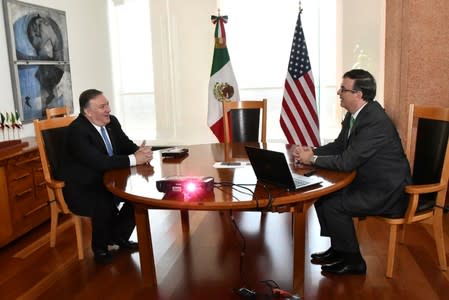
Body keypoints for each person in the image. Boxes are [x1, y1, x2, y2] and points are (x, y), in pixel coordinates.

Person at [294, 69, 411, 275]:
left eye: (343, 89)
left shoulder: (375, 121)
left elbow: (346, 162)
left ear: (358, 94)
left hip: (388, 191)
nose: (339, 92)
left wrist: (311, 159)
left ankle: (354, 261)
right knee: (324, 196)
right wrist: (312, 151)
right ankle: (340, 249)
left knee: (334, 204)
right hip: (370, 182)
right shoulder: (355, 114)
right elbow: (340, 146)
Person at [63, 89, 153, 264]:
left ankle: (117, 237)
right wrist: (135, 159)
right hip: (84, 186)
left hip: (109, 178)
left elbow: (125, 144)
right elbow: (100, 162)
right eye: (102, 106)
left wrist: (138, 151)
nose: (108, 110)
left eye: (108, 104)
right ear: (88, 112)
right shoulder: (77, 131)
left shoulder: (112, 122)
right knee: (103, 200)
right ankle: (100, 247)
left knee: (138, 199)